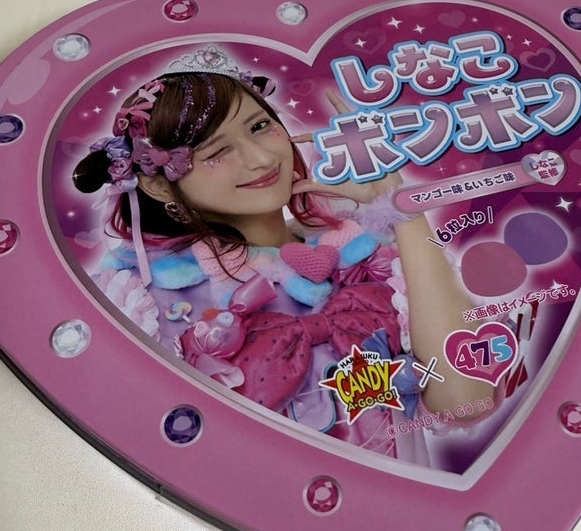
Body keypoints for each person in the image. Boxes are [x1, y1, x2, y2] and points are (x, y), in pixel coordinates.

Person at [72, 53, 494, 464]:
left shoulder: (366, 253)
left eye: (259, 126)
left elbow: (466, 398)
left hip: (409, 502)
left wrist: (402, 209)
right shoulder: (149, 298)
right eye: (216, 151)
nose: (260, 158)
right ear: (160, 186)